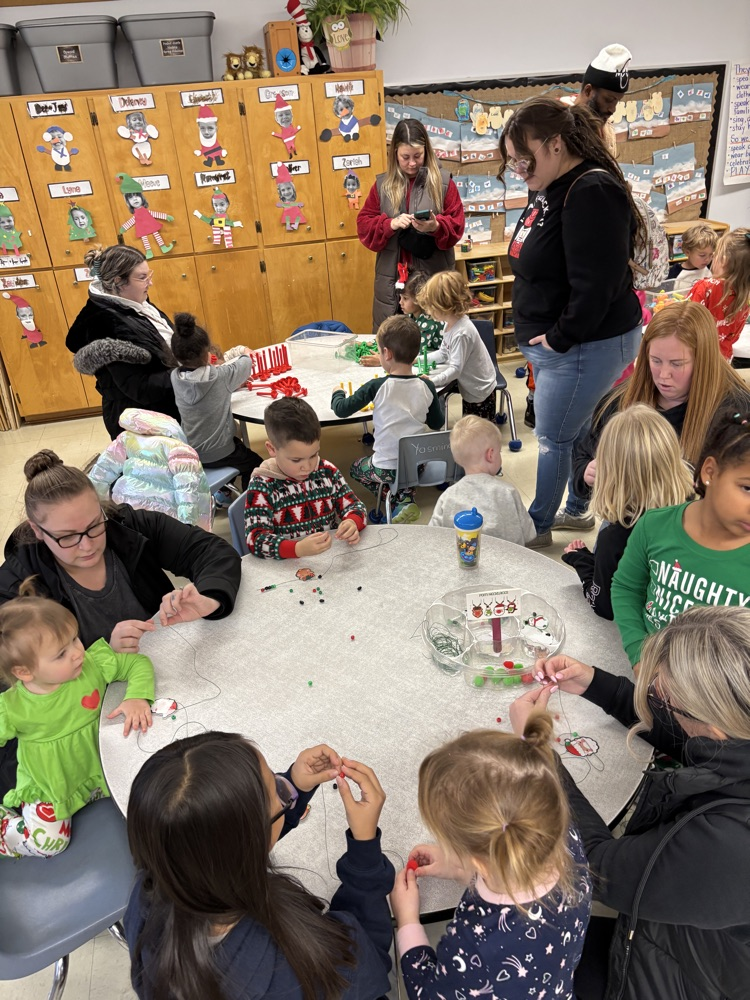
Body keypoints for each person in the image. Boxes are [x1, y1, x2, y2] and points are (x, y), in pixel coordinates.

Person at [534, 605, 750, 1000]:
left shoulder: (729, 843)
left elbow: (597, 869)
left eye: (664, 698)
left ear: (715, 724)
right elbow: (711, 750)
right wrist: (597, 685)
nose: (656, 700)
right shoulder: (737, 736)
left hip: (679, 979)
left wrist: (539, 758)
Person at [124, 732, 394, 1000]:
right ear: (252, 838)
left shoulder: (146, 897)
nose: (284, 790)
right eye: (276, 791)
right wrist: (365, 846)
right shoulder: (302, 962)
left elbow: (222, 842)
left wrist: (294, 785)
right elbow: (367, 959)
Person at [499, 97, 644, 548]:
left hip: (584, 343)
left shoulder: (590, 191)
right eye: (511, 163)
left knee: (552, 437)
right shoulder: (549, 184)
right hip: (560, 344)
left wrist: (560, 338)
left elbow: (596, 286)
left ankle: (537, 528)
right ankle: (580, 507)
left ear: (556, 144)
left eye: (524, 159)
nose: (519, 170)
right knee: (578, 427)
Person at [389, 721, 592, 999]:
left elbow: (429, 994)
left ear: (481, 862)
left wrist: (408, 920)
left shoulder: (474, 942)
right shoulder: (564, 838)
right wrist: (456, 864)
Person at [0, 450, 241, 652]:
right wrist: (103, 658)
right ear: (38, 531)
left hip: (168, 669)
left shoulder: (128, 527)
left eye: (94, 525)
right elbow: (14, 676)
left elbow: (211, 550)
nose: (87, 545)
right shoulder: (15, 585)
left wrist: (210, 597)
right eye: (67, 537)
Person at [0, 583, 154, 858]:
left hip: (100, 769)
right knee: (50, 844)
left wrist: (137, 697)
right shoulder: (12, 708)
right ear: (24, 671)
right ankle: (5, 828)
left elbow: (137, 663)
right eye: (61, 653)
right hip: (52, 787)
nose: (76, 652)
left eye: (74, 638)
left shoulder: (91, 665)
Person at [611, 405, 750, 667]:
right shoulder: (654, 526)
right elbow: (626, 587)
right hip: (649, 683)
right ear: (710, 471)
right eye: (747, 487)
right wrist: (639, 657)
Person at [571, 301, 749, 502]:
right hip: (631, 515)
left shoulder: (736, 411)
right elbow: (583, 458)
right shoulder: (620, 401)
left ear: (702, 360)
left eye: (677, 364)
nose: (663, 375)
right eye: (655, 361)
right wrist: (586, 474)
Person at [562, 405, 694, 619]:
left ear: (610, 474)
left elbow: (605, 606)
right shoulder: (691, 513)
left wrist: (583, 563)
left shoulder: (614, 538)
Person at [333, 315, 444, 524]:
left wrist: (337, 392)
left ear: (386, 353)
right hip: (417, 464)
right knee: (404, 467)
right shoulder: (426, 386)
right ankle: (405, 495)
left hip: (385, 467)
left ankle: (393, 500)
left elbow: (341, 410)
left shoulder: (377, 386)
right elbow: (437, 424)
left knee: (355, 468)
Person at [357, 119, 465, 332]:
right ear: (395, 153)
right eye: (405, 157)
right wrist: (390, 224)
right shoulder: (382, 185)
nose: (412, 163)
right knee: (395, 345)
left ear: (427, 151)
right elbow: (364, 226)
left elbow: (457, 225)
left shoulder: (443, 183)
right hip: (393, 284)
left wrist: (436, 226)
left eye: (418, 156)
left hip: (432, 280)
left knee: (435, 348)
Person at [66, 245, 179, 439]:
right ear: (119, 281)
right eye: (142, 277)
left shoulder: (135, 301)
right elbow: (140, 388)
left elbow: (165, 341)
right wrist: (188, 373)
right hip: (143, 424)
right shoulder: (106, 322)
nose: (150, 283)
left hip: (165, 406)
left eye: (148, 275)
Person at [245, 398, 366, 559]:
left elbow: (356, 506)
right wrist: (297, 549)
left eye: (313, 455)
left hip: (329, 560)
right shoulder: (262, 485)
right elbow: (256, 539)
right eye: (296, 460)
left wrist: (352, 522)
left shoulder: (327, 472)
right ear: (272, 449)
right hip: (288, 568)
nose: (307, 467)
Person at [169, 312, 263, 495]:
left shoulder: (174, 378)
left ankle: (223, 493)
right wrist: (243, 351)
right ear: (208, 354)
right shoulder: (221, 377)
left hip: (190, 452)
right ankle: (249, 504)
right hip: (221, 452)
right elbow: (245, 364)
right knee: (255, 466)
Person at [88, 408, 212, 531]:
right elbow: (188, 495)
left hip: (125, 503)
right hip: (164, 514)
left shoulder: (127, 438)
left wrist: (97, 506)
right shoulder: (180, 449)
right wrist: (188, 530)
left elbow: (102, 470)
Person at [429, 415, 536, 545]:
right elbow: (529, 533)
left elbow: (433, 536)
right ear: (490, 455)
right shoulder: (508, 492)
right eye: (499, 452)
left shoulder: (447, 497)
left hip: (463, 561)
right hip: (508, 562)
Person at [419, 271, 497, 419]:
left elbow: (455, 370)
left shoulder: (462, 333)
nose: (428, 311)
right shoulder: (449, 324)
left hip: (479, 389)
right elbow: (443, 353)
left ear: (443, 305)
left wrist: (432, 382)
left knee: (478, 435)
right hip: (470, 385)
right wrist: (418, 360)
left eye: (430, 306)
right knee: (470, 428)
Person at [688, 227, 750, 360]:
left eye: (714, 255)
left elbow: (686, 322)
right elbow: (734, 336)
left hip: (696, 356)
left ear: (724, 260)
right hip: (723, 358)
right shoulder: (745, 295)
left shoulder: (704, 287)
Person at [573, 43, 633, 156]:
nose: (613, 109)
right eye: (609, 99)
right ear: (588, 91)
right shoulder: (558, 122)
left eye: (617, 101)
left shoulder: (606, 131)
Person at [667, 221, 716, 291]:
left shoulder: (710, 267)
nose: (707, 259)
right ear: (687, 252)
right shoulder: (675, 272)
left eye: (711, 254)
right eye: (702, 255)